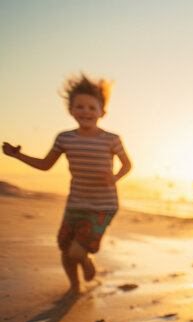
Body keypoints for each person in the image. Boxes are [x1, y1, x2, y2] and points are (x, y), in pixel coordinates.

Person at [2, 73, 132, 295]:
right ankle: (75, 286)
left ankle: (88, 263)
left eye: (92, 108)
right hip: (75, 203)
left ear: (102, 112)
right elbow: (45, 165)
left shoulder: (111, 139)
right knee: (64, 247)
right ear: (71, 110)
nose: (86, 112)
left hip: (103, 205)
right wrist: (17, 156)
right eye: (80, 107)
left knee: (77, 251)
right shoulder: (65, 138)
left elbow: (127, 165)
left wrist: (116, 177)